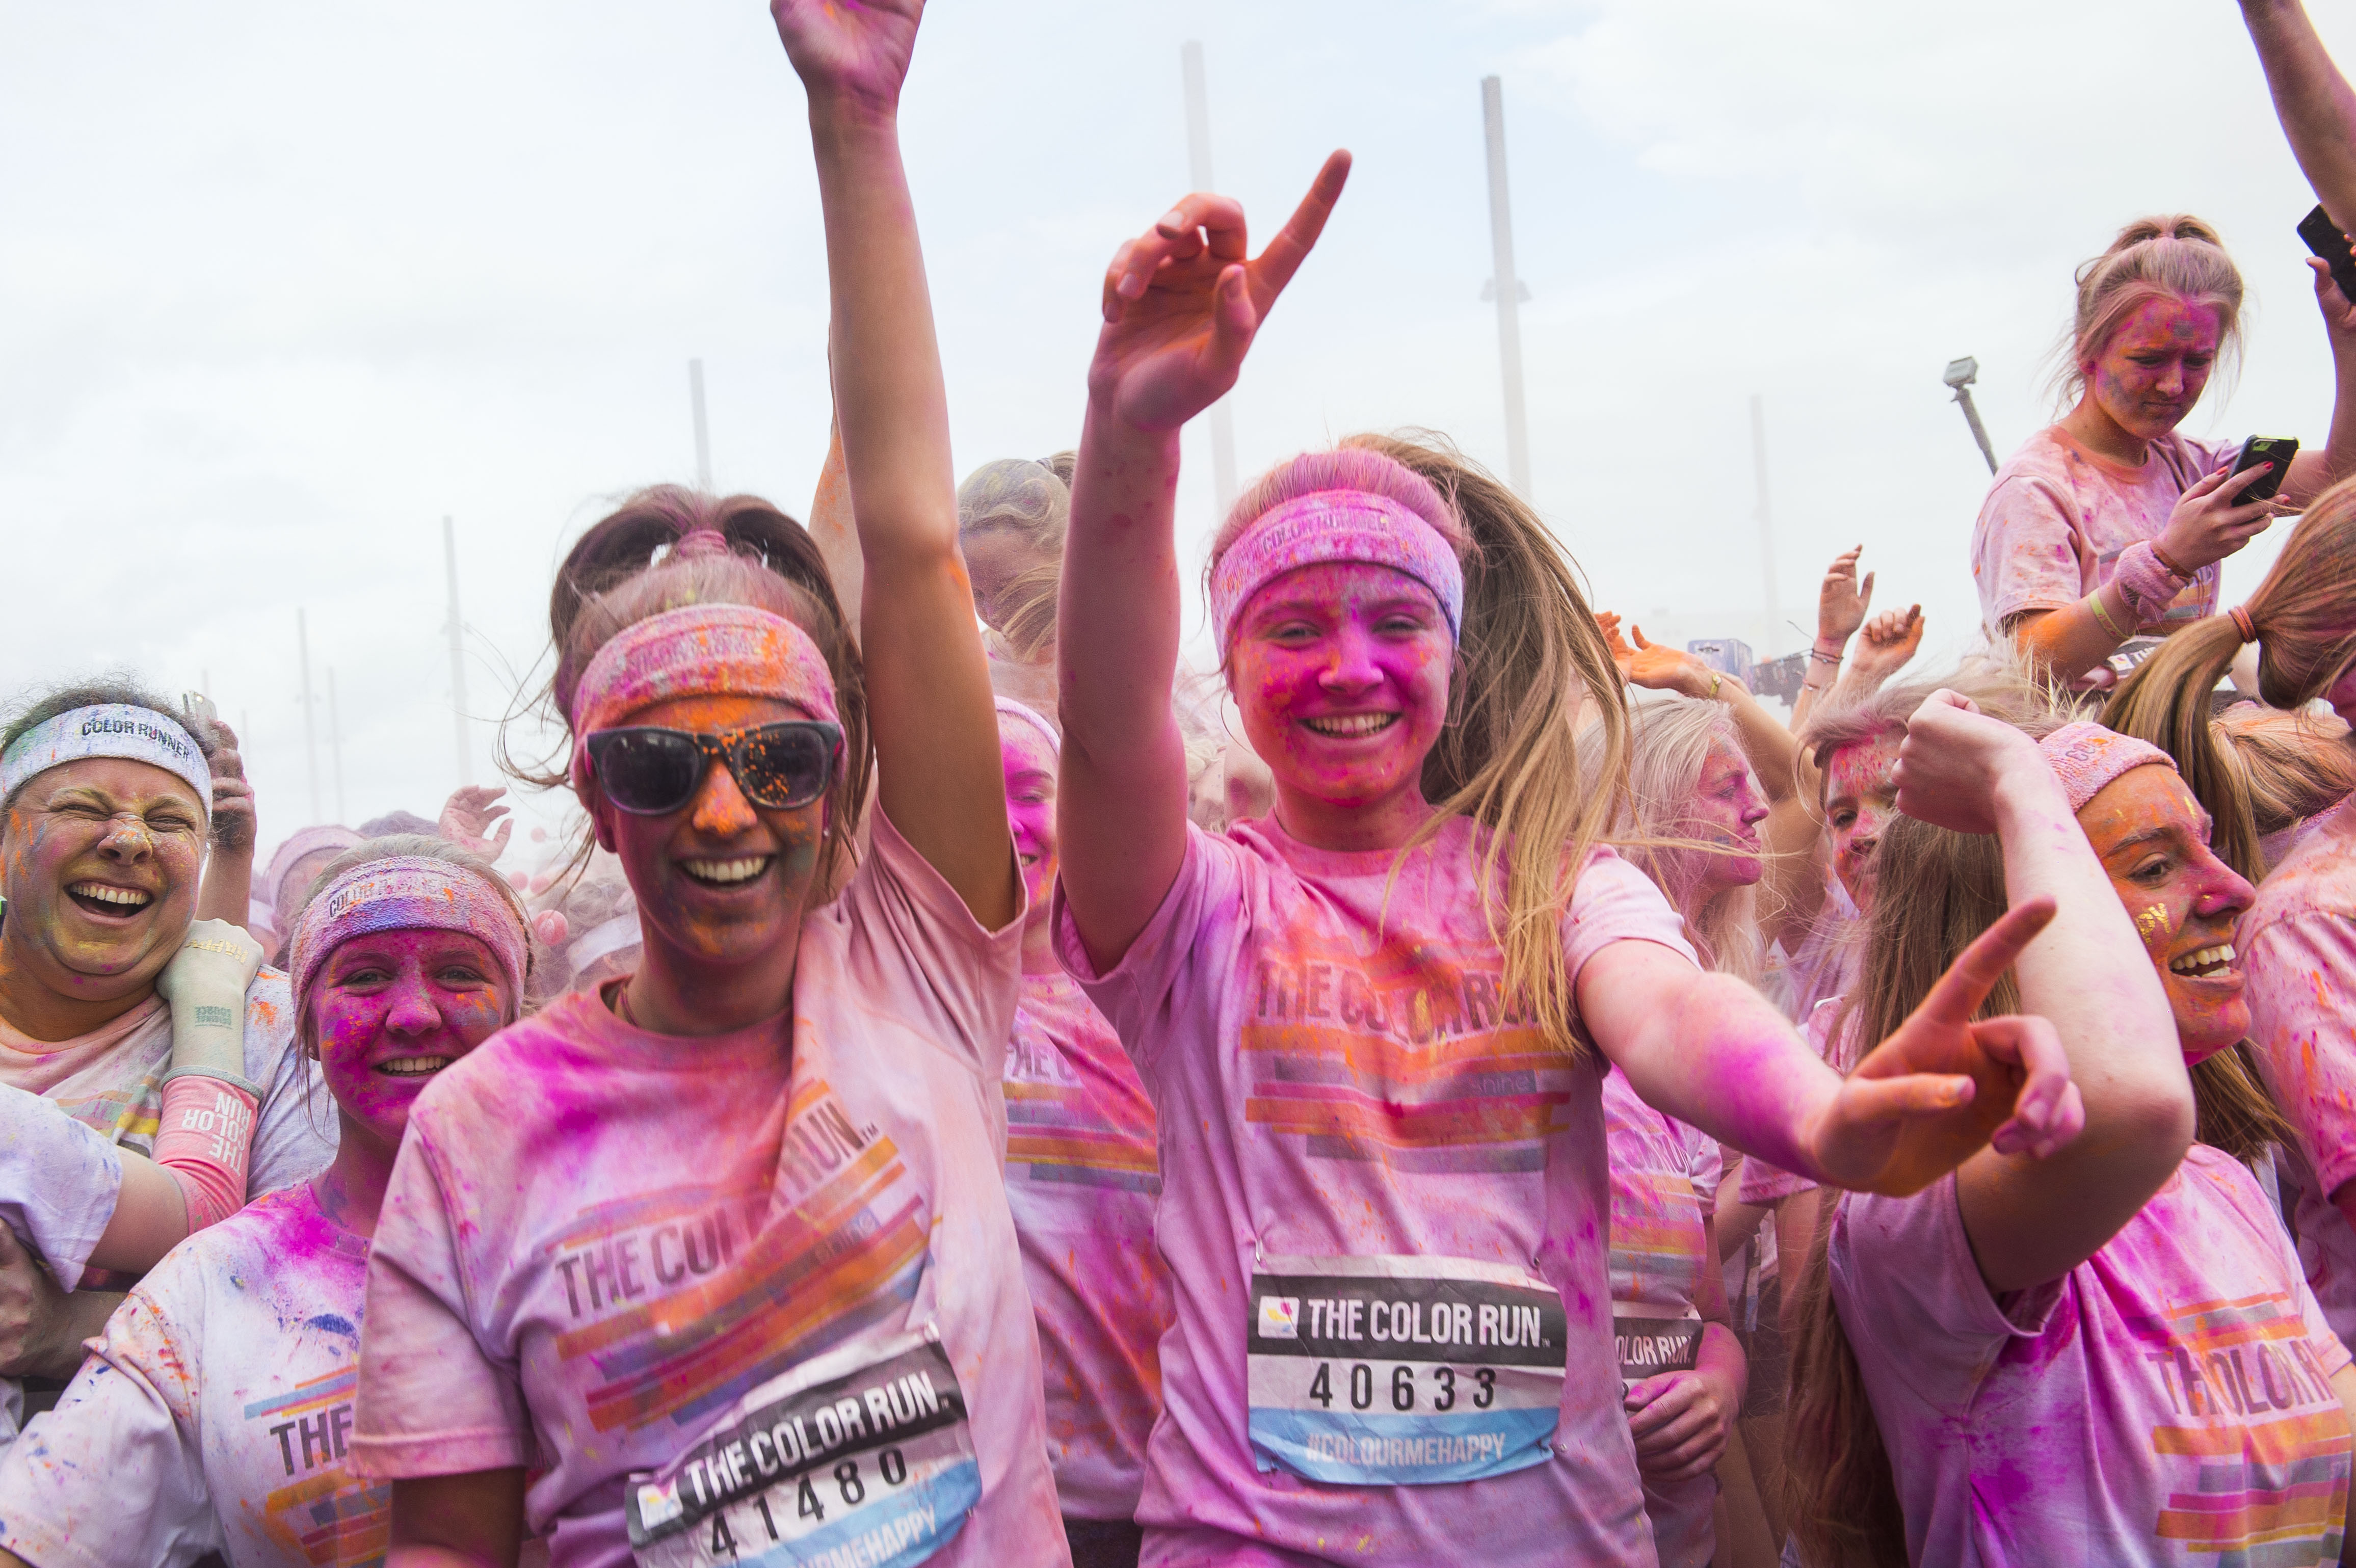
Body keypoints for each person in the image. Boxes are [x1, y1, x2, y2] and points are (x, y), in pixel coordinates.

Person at [1053, 162, 2082, 1563]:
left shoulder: (1553, 886)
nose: (1346, 664)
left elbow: (1668, 1010)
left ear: (1450, 651)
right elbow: (1105, 733)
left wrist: (1821, 1117)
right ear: (1228, 670)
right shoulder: (1190, 913)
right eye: (1291, 627)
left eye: (1392, 621)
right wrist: (1129, 433)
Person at [350, 4, 1067, 1563]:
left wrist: (855, 129)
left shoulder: (915, 970)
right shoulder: (474, 1137)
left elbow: (909, 528)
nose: (729, 814)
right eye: (665, 767)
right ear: (594, 787)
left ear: (838, 771)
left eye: (781, 758)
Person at [1786, 709, 2347, 1567]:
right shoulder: (1914, 1207)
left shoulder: (2221, 1188)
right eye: (2156, 866)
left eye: (2206, 847)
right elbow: (2128, 1104)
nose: (2235, 889)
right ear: (2001, 930)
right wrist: (2014, 776)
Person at [0, 836, 530, 1568]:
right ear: (305, 1027)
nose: (411, 1013)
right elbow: (43, 1535)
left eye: (459, 973)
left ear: (514, 1012)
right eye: (367, 977)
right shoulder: (211, 1289)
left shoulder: (619, 1215)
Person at [0, 681, 335, 1427]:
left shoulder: (277, 1031)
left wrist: (66, 1327)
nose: (129, 840)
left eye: (169, 820)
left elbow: (317, 1326)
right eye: (85, 808)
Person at [1971, 211, 2356, 687]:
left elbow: (2339, 479)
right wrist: (2166, 562)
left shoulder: (2194, 467)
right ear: (2086, 351)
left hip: (2187, 734)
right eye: (2148, 359)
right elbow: (2031, 664)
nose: (2173, 385)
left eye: (2197, 361)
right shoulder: (2035, 489)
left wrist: (2348, 339)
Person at [994, 697, 1171, 1567]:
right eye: (968, 790)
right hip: (980, 1507)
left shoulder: (1155, 999)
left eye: (1030, 790)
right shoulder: (895, 1001)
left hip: (1164, 1496)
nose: (1002, 822)